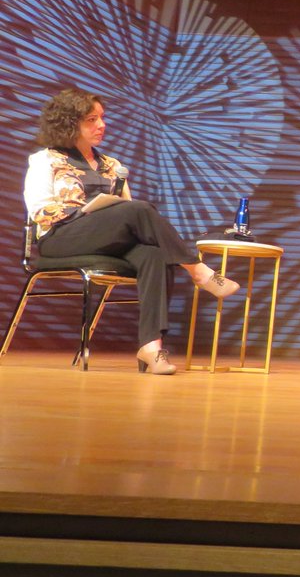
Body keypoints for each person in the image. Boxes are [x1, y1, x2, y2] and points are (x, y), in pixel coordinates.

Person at [23, 88, 240, 376]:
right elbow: (39, 210)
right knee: (139, 210)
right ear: (69, 123)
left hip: (106, 239)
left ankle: (151, 345)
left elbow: (127, 214)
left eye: (102, 117)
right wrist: (87, 212)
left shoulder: (112, 166)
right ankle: (197, 270)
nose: (101, 125)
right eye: (91, 119)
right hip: (61, 238)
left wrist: (109, 212)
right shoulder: (46, 160)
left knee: (154, 254)